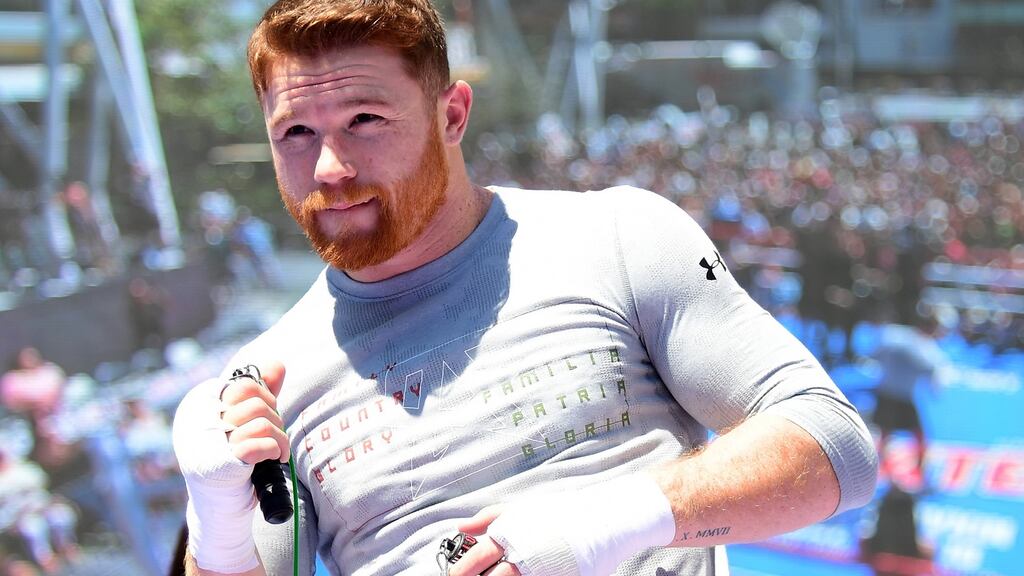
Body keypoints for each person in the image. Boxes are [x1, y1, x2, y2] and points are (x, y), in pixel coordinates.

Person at [171, 2, 878, 575]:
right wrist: (216, 524)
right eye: (294, 130)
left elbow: (835, 448)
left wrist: (607, 525)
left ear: (451, 115)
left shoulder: (617, 237)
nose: (329, 165)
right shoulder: (268, 383)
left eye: (364, 120)